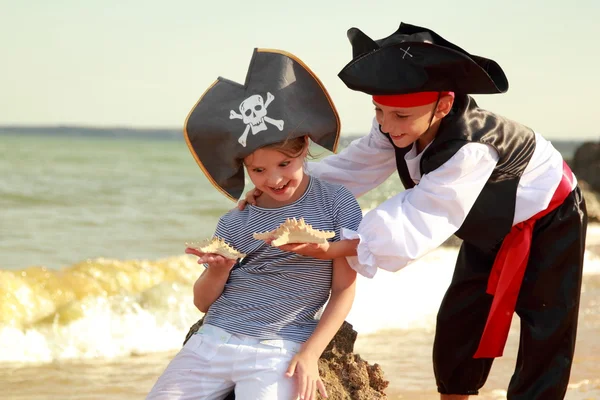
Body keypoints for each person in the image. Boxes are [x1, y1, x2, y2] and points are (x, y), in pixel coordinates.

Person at [240, 23, 588, 399]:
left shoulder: (470, 149)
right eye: (379, 111)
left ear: (443, 105)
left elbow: (416, 215)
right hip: (486, 219)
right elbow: (354, 167)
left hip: (549, 215)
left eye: (400, 116)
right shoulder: (394, 123)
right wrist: (282, 186)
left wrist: (333, 248)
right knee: (460, 318)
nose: (387, 126)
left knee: (545, 326)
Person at [146, 48, 362, 400]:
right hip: (213, 340)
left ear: (304, 148)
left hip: (280, 345)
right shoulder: (238, 218)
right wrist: (218, 270)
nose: (273, 180)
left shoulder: (336, 203)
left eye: (284, 164)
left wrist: (310, 354)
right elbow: (203, 303)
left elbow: (344, 289)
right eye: (258, 170)